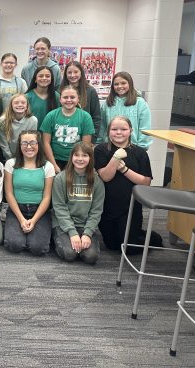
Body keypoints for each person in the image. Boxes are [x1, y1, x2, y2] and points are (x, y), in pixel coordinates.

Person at [94, 116, 162, 252]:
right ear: (108, 131)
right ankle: (135, 233)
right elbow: (106, 177)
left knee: (129, 248)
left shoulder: (140, 153)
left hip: (130, 207)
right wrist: (116, 157)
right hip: (107, 207)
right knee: (112, 245)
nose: (119, 132)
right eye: (114, 129)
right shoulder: (101, 150)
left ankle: (148, 237)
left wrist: (124, 170)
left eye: (123, 129)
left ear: (131, 131)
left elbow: (145, 182)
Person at [3, 130, 55, 256]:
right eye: (24, 143)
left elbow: (47, 197)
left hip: (39, 211)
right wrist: (22, 220)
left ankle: (34, 234)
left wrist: (34, 220)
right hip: (17, 210)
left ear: (39, 144)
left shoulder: (47, 166)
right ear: (19, 145)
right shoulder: (11, 164)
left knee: (38, 248)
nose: (29, 147)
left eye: (32, 142)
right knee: (15, 245)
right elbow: (9, 194)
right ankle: (23, 233)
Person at [52, 142, 105, 264]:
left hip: (85, 224)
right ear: (71, 157)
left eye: (84, 155)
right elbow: (59, 207)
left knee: (91, 257)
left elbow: (96, 211)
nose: (80, 159)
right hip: (63, 225)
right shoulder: (60, 178)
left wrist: (88, 233)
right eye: (76, 155)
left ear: (90, 158)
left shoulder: (97, 181)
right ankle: (58, 238)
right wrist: (72, 232)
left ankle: (81, 243)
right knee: (69, 254)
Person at [40, 86, 95, 172]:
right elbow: (46, 143)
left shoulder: (85, 117)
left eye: (72, 97)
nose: (69, 100)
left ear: (78, 99)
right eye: (65, 97)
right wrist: (54, 165)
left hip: (76, 160)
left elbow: (85, 145)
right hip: (54, 159)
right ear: (60, 99)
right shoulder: (51, 116)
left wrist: (77, 163)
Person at [99, 71, 152, 150]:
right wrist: (99, 143)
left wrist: (141, 147)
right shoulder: (108, 103)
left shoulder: (140, 103)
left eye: (123, 83)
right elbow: (102, 126)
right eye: (116, 84)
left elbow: (145, 127)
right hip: (109, 147)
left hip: (133, 148)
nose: (120, 86)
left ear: (130, 84)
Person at [60, 61, 101, 141]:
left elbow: (96, 117)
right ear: (65, 74)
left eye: (76, 72)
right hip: (63, 137)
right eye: (69, 72)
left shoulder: (91, 91)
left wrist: (92, 139)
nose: (72, 75)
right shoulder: (60, 91)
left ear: (81, 73)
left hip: (85, 138)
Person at [0, 93, 38, 161]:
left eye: (23, 103)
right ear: (11, 105)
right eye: (16, 103)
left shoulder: (33, 120)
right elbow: (3, 142)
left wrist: (25, 157)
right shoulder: (3, 120)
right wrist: (9, 158)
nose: (20, 105)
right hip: (6, 156)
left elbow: (31, 141)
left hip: (25, 156)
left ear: (27, 106)